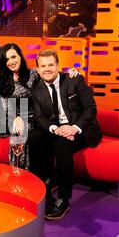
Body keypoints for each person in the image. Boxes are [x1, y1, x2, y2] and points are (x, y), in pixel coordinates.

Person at [32, 49, 102, 221]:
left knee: (61, 145)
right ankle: (43, 183)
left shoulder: (74, 79)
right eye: (43, 66)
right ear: (38, 69)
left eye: (50, 65)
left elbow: (90, 109)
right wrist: (55, 129)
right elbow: (40, 117)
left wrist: (74, 128)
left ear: (58, 66)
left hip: (82, 129)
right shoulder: (37, 89)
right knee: (34, 137)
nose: (47, 69)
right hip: (59, 129)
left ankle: (64, 198)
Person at [0, 43, 46, 179]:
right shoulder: (2, 79)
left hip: (36, 117)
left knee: (26, 132)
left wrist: (73, 73)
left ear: (20, 56)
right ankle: (18, 177)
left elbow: (53, 77)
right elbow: (6, 105)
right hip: (15, 118)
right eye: (7, 59)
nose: (11, 62)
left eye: (13, 57)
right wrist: (16, 117)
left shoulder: (34, 74)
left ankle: (32, 178)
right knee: (16, 131)